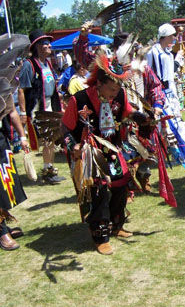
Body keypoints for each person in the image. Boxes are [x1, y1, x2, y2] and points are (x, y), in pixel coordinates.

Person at [62, 54, 166, 255]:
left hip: (111, 148)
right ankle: (100, 235)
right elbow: (65, 129)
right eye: (111, 88)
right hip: (88, 152)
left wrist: (144, 118)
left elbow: (128, 114)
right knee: (99, 189)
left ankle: (116, 225)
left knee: (121, 183)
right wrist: (73, 146)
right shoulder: (79, 100)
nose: (115, 93)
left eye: (118, 89)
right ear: (99, 83)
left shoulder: (120, 96)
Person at [18, 29, 66, 184]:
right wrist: (23, 112)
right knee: (45, 139)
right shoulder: (29, 65)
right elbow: (21, 89)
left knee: (50, 138)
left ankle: (49, 168)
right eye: (46, 43)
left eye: (49, 43)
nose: (49, 46)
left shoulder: (48, 64)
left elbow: (51, 86)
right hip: (37, 108)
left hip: (49, 106)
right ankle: (45, 170)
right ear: (37, 46)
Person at [0, 33, 32, 251]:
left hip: (0, 138)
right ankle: (1, 232)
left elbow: (11, 111)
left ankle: (2, 221)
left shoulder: (2, 81)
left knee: (4, 181)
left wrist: (22, 136)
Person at [147, 23, 185, 149]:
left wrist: (177, 60)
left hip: (170, 90)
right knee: (164, 121)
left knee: (175, 117)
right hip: (159, 92)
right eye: (173, 35)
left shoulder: (166, 53)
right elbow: (151, 74)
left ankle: (179, 144)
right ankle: (166, 147)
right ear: (166, 36)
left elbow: (170, 72)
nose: (174, 38)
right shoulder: (154, 53)